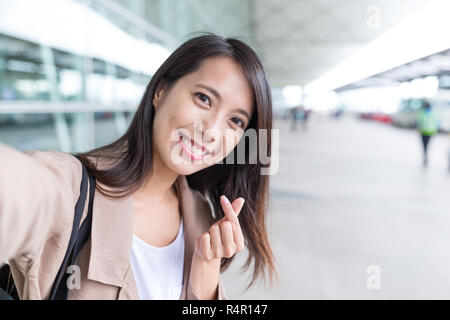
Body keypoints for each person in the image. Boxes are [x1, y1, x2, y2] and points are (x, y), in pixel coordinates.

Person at [0, 33, 278, 300]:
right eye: (204, 98)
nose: (213, 132)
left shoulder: (202, 217)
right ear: (161, 90)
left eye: (236, 121)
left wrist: (206, 270)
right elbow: (19, 188)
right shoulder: (72, 187)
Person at [416, 99, 439, 167]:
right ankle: (425, 157)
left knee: (426, 145)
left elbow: (436, 123)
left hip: (429, 132)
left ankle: (425, 157)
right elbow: (419, 122)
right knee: (425, 145)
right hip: (425, 132)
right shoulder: (423, 113)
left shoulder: (430, 113)